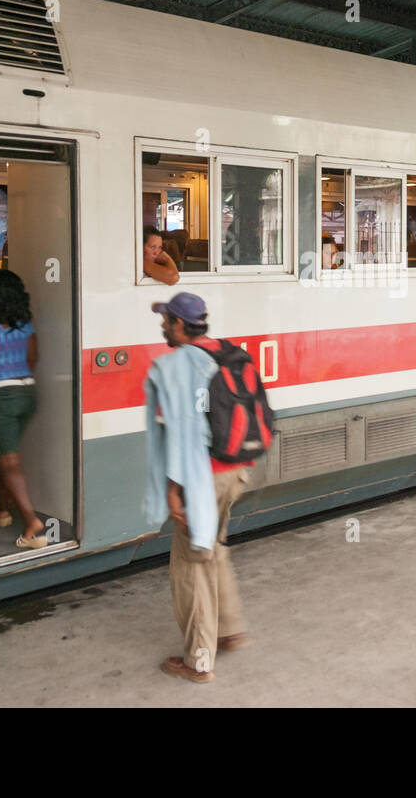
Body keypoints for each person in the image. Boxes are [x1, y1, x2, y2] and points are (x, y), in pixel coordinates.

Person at [144, 292, 250, 683]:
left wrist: (174, 490)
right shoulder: (223, 352)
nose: (162, 326)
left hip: (202, 478)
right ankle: (230, 628)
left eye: (167, 320)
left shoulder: (176, 367)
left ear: (180, 326)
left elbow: (182, 435)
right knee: (213, 547)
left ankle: (199, 660)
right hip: (236, 471)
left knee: (191, 567)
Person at [0, 269, 48, 549]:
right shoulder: (25, 323)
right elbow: (33, 358)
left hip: (0, 395)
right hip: (27, 392)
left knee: (8, 460)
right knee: (7, 454)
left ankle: (32, 524)